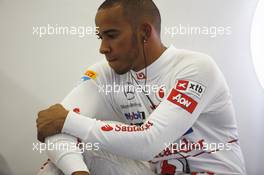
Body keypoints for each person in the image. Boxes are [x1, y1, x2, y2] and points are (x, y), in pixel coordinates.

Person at [36, 0, 247, 174]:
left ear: (145, 32)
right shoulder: (104, 73)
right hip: (152, 171)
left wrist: (68, 121)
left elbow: (150, 141)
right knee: (59, 166)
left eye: (112, 35)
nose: (103, 48)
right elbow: (52, 128)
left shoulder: (196, 67)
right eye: (101, 37)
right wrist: (77, 172)